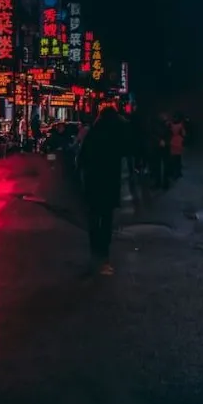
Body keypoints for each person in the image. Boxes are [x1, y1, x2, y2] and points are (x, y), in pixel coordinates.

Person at [78, 105, 126, 276]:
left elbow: (81, 159)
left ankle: (95, 256)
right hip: (109, 185)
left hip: (93, 184)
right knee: (106, 221)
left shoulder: (92, 134)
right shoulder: (118, 135)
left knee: (93, 220)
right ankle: (104, 259)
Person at [169, 113, 186, 180]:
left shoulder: (171, 125)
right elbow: (184, 134)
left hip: (172, 141)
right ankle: (178, 172)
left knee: (174, 159)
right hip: (179, 141)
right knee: (178, 158)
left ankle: (175, 173)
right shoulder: (181, 125)